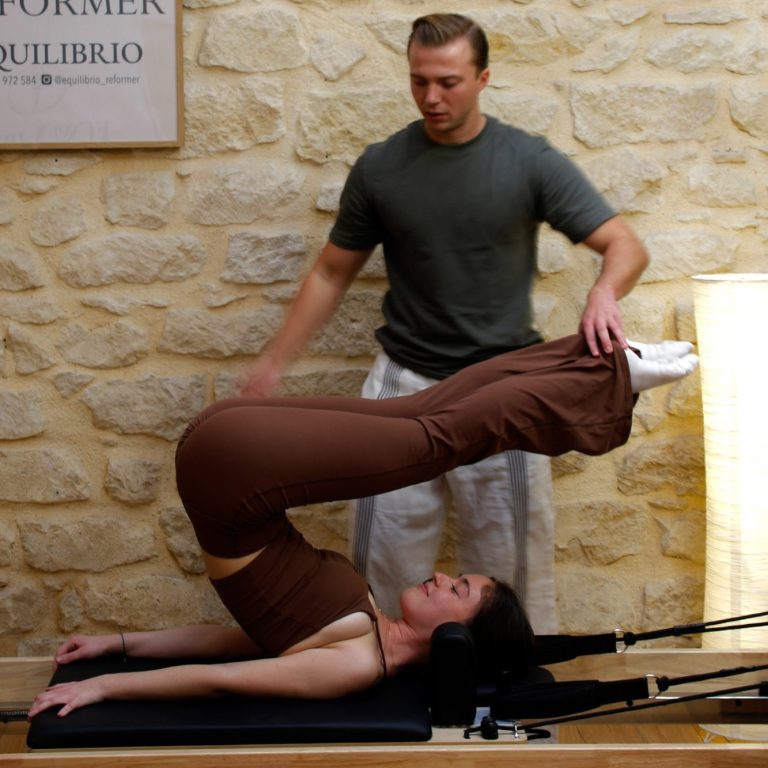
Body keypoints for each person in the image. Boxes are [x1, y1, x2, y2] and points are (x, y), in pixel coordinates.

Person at [28, 335, 697, 718]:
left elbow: (222, 677)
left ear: (456, 637)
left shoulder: (352, 665)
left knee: (443, 434)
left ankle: (615, 379)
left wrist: (105, 684)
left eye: (456, 588)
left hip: (233, 477)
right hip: (231, 460)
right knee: (432, 408)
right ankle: (601, 359)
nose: (440, 573)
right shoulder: (366, 626)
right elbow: (239, 640)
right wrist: (118, 642)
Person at [238, 13, 650, 630]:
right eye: (419, 81)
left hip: (502, 392)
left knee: (511, 577)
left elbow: (626, 246)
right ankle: (378, 690)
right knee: (380, 566)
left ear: (483, 78)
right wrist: (275, 360)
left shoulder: (528, 161)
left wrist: (603, 294)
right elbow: (330, 273)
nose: (432, 97)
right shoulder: (381, 167)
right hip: (404, 387)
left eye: (449, 82)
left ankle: (507, 704)